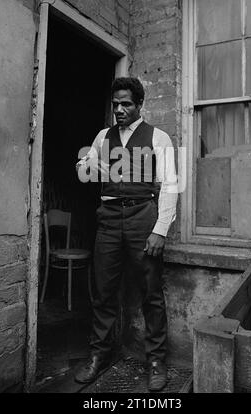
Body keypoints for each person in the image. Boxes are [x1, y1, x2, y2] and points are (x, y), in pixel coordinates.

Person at [75, 77, 178, 391]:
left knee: (150, 292)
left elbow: (170, 185)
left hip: (141, 217)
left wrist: (160, 230)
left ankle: (157, 360)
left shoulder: (158, 137)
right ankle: (99, 355)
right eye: (115, 104)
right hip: (108, 218)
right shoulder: (103, 136)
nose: (119, 110)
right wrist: (90, 165)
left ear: (139, 105)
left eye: (126, 104)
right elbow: (83, 170)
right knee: (103, 290)